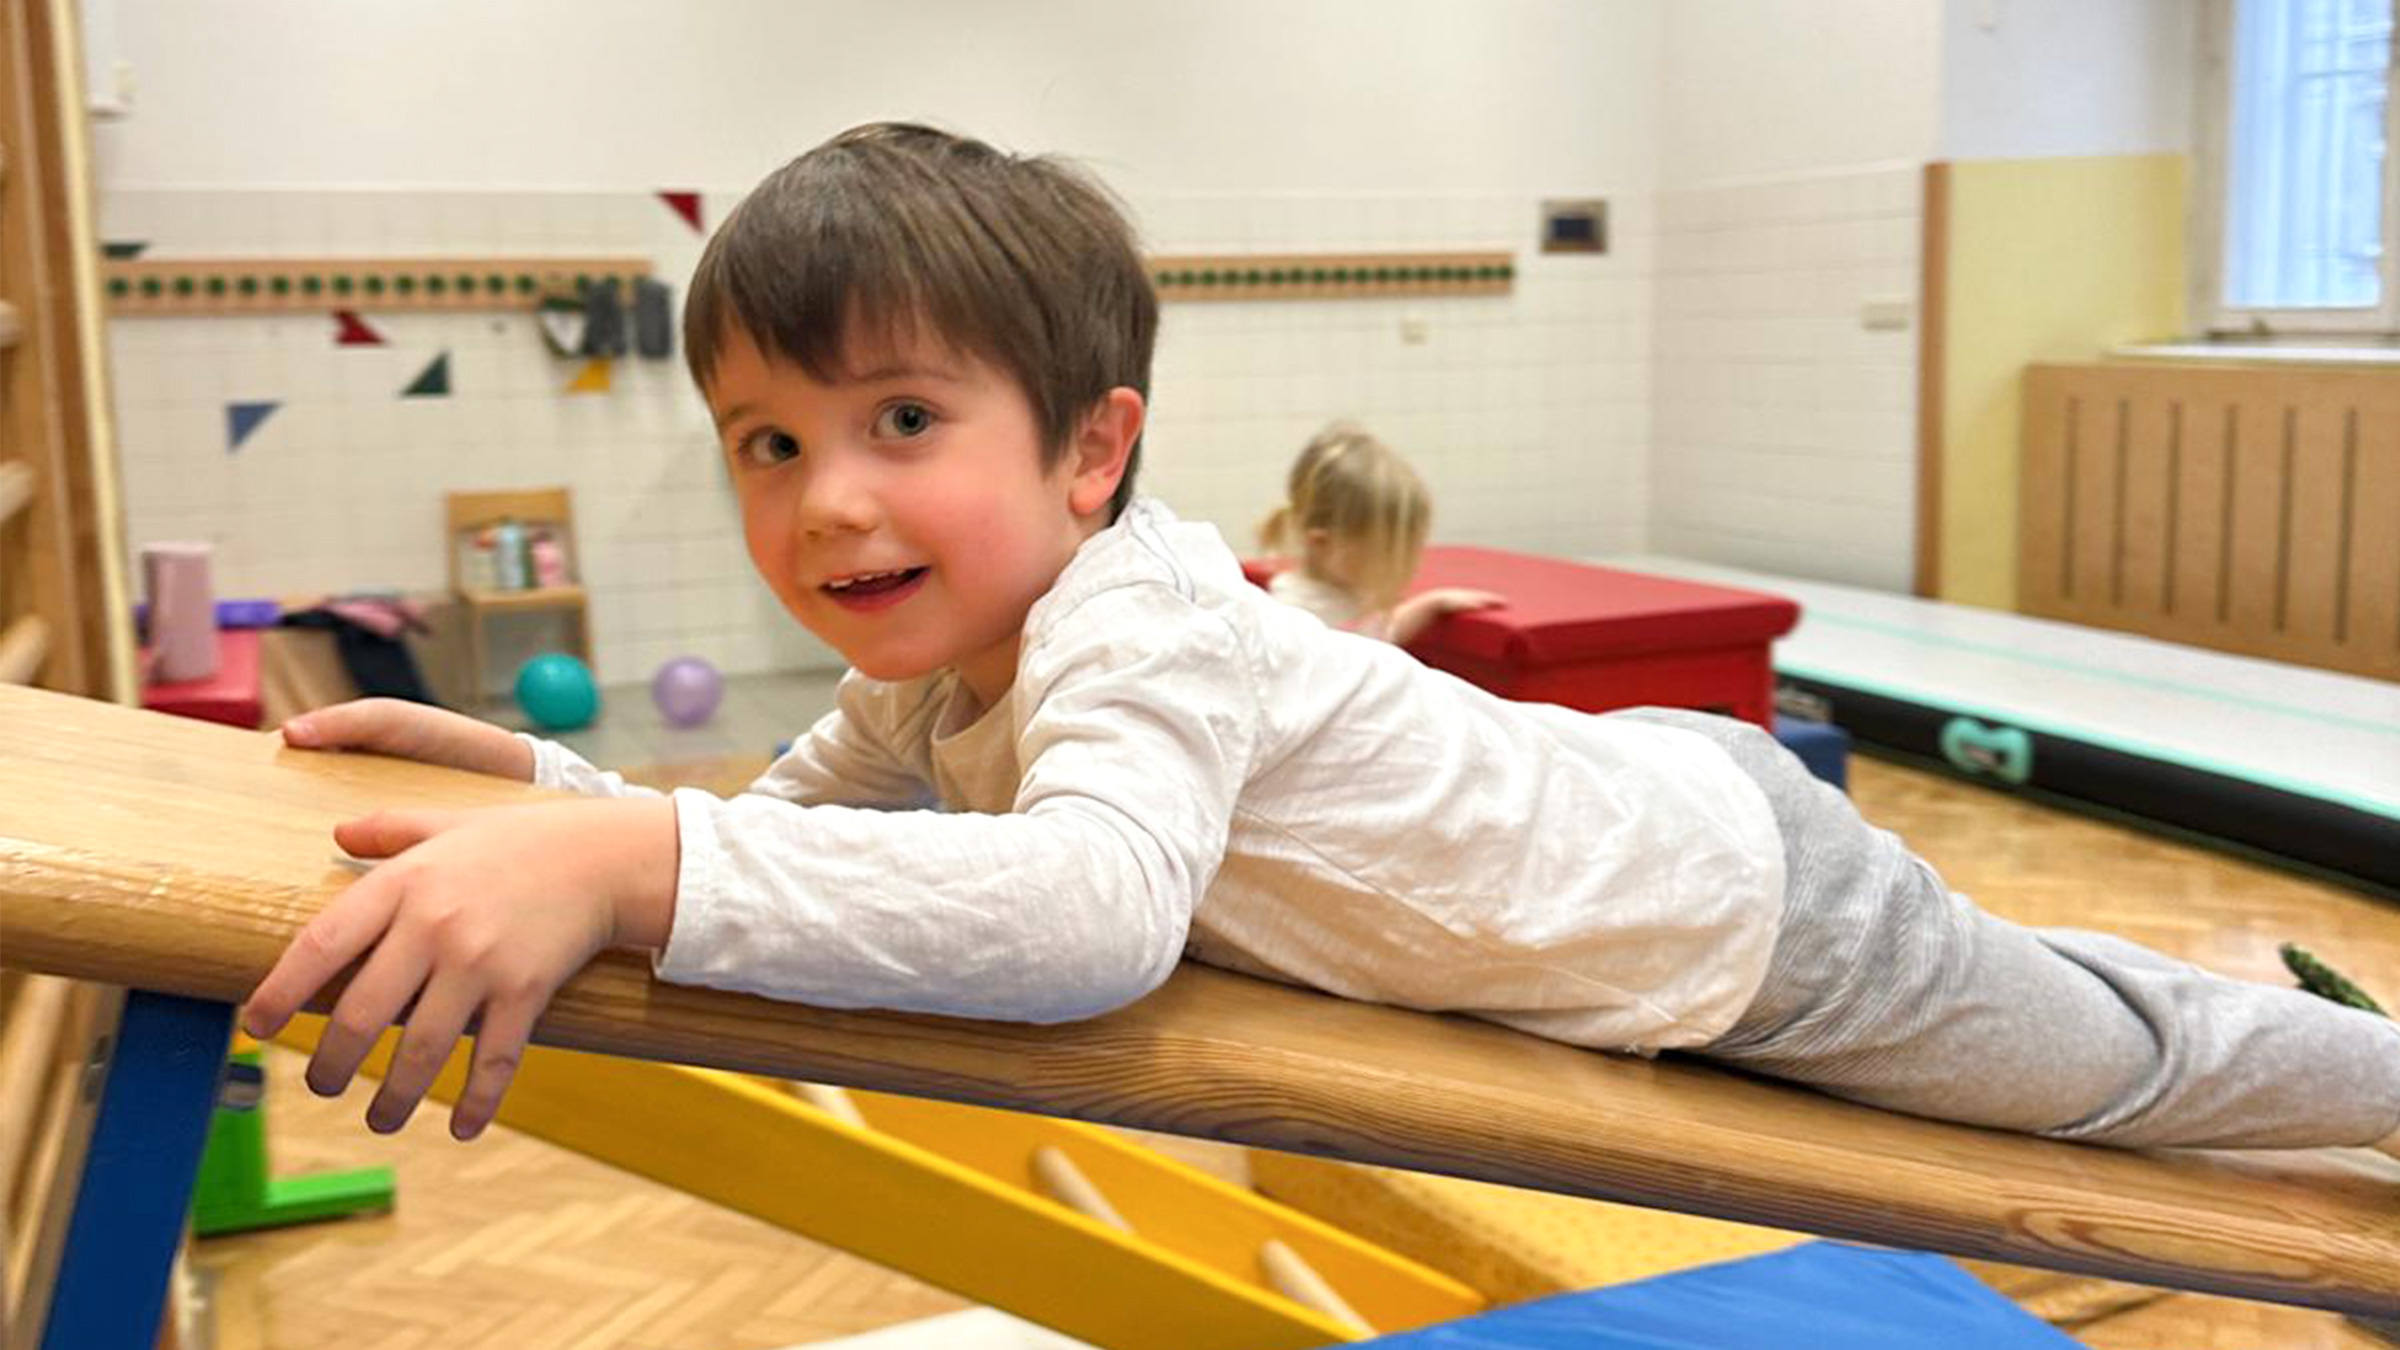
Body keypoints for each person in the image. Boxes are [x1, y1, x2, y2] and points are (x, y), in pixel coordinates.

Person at [242, 122, 2400, 1164]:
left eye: (906, 422)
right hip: (1645, 830)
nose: (829, 501)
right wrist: (553, 801)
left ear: (1095, 451)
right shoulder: (924, 672)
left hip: (1747, 915)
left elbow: (1084, 917)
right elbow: (799, 842)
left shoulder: (1142, 620)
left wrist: (623, 872)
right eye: (768, 442)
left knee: (2117, 1091)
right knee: (2090, 1018)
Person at [1256, 421, 1502, 644]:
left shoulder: (1344, 593)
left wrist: (1430, 604)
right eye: (1382, 555)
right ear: (1322, 542)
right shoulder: (1297, 616)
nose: (1393, 568)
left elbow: (1380, 639)